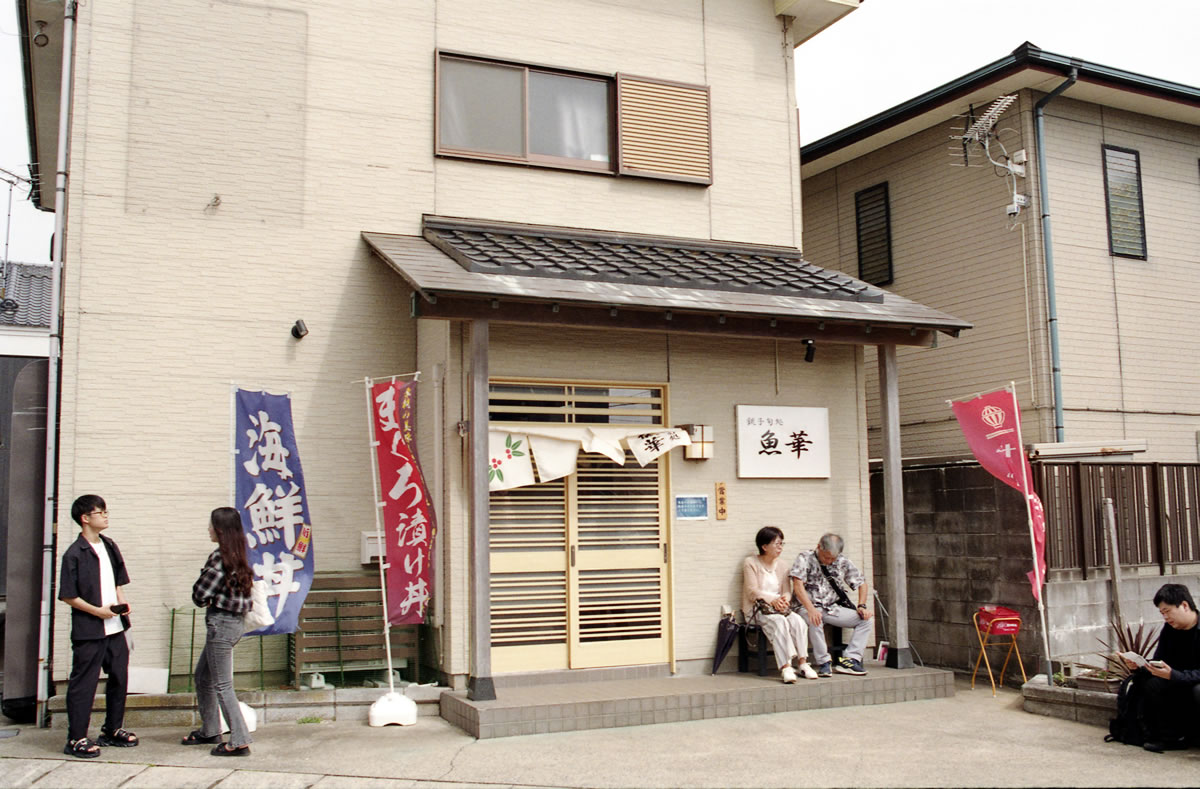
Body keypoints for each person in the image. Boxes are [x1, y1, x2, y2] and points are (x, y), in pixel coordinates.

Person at [58, 495, 138, 758]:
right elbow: (69, 595)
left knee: (119, 677)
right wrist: (98, 612)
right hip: (90, 629)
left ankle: (112, 729)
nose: (105, 516)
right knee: (84, 683)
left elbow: (118, 581)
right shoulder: (73, 554)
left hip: (116, 626)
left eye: (105, 511)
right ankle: (76, 738)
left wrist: (122, 602)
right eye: (100, 512)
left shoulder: (110, 545)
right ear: (85, 518)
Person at [182, 507, 254, 756]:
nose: (208, 529)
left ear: (220, 530)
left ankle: (239, 740)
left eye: (211, 525)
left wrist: (203, 595)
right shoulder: (240, 554)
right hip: (234, 624)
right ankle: (210, 730)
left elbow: (200, 595)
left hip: (221, 625)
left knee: (222, 684)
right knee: (203, 677)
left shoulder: (219, 558)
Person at [1122, 583, 1200, 753]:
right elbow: (1159, 660)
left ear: (1184, 606)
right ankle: (1171, 738)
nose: (1165, 617)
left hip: (1194, 682)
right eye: (1162, 613)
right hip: (1178, 679)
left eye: (1167, 611)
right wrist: (1141, 665)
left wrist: (1174, 675)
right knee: (1151, 683)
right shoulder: (1169, 629)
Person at [790, 532, 873, 677]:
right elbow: (798, 586)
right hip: (806, 606)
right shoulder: (804, 558)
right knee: (815, 619)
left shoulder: (842, 561)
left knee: (866, 620)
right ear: (819, 547)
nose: (829, 561)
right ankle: (824, 662)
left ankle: (850, 660)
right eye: (826, 557)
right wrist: (811, 609)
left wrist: (862, 605)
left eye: (832, 558)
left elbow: (862, 583)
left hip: (831, 607)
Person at [742, 526, 818, 683]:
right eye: (777, 544)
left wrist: (784, 600)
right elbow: (752, 591)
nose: (780, 547)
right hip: (758, 609)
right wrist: (773, 600)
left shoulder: (782, 565)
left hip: (779, 608)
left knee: (798, 621)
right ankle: (786, 667)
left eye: (782, 544)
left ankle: (803, 663)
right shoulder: (750, 562)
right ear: (764, 546)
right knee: (780, 622)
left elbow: (787, 591)